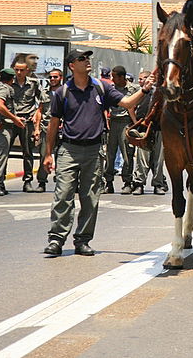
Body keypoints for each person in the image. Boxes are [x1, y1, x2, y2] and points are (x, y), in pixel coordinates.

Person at [42, 49, 155, 257]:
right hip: (68, 149)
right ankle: (56, 240)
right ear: (71, 66)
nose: (87, 61)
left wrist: (145, 90)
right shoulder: (62, 93)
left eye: (88, 58)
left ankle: (83, 240)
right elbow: (53, 124)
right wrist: (48, 154)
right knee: (63, 195)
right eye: (82, 59)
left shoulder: (101, 87)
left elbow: (128, 103)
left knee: (90, 197)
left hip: (94, 150)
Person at [0, 68, 26, 196]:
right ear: (11, 79)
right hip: (0, 129)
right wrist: (14, 119)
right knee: (0, 157)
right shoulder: (3, 89)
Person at [104, 66, 140, 194]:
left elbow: (139, 105)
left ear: (122, 77)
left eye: (114, 76)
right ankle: (108, 182)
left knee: (127, 153)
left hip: (126, 122)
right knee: (110, 154)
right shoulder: (111, 89)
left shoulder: (134, 89)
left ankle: (127, 182)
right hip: (113, 122)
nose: (112, 79)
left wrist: (135, 123)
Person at [133, 70, 168, 195]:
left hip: (159, 129)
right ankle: (138, 184)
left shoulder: (163, 93)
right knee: (142, 159)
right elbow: (131, 107)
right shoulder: (142, 92)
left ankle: (158, 184)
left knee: (158, 160)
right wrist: (136, 123)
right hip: (143, 129)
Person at [11, 61, 43, 192]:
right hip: (12, 120)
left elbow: (42, 100)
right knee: (4, 150)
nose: (19, 73)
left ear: (27, 71)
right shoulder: (9, 83)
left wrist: (36, 113)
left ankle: (28, 181)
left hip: (27, 121)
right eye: (17, 70)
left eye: (21, 70)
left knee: (28, 152)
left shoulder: (33, 84)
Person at [35, 68, 64, 192]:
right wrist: (36, 128)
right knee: (44, 155)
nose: (52, 79)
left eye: (55, 77)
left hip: (63, 129)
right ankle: (42, 182)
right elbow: (40, 111)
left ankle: (60, 181)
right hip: (46, 128)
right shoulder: (44, 93)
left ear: (61, 78)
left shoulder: (66, 92)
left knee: (61, 156)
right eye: (50, 77)